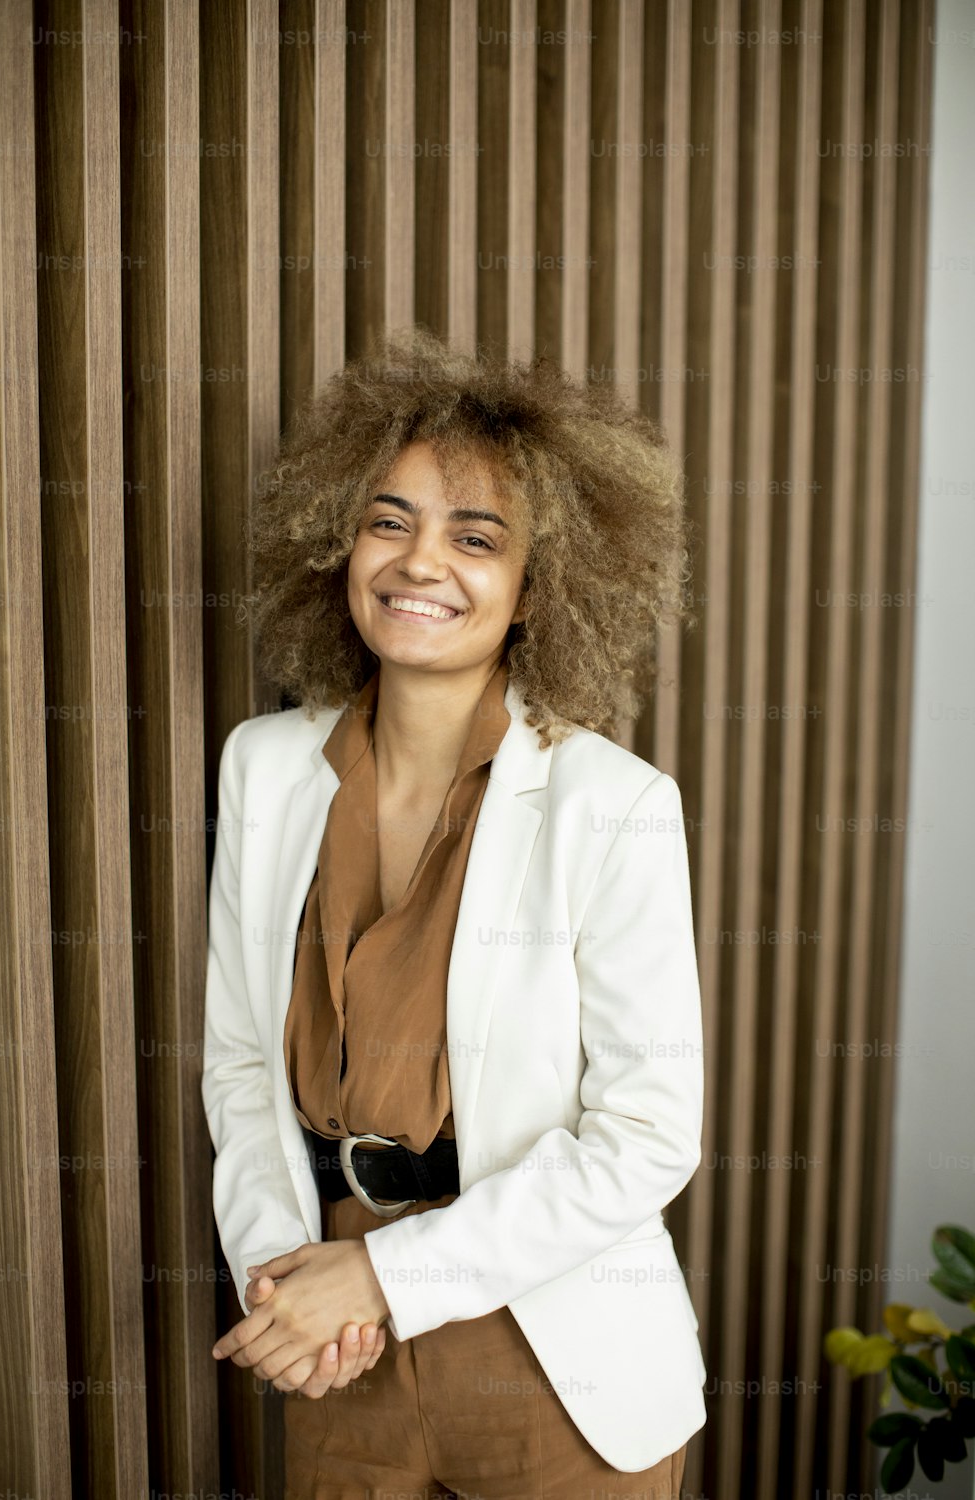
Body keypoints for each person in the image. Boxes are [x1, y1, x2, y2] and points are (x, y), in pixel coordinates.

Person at [202, 327, 707, 1499]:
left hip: (555, 1351)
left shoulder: (614, 804)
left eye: (475, 538)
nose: (419, 562)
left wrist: (389, 1279)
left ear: (540, 587)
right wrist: (288, 1278)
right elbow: (236, 1064)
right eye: (390, 520)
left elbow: (645, 1136)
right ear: (338, 538)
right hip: (335, 1344)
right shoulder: (262, 767)